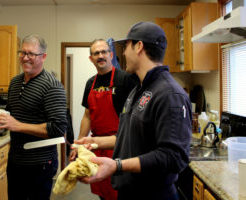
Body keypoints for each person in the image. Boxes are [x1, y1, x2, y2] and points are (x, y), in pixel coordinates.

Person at [74, 22, 192, 200]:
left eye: (126, 46)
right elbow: (128, 136)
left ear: (139, 46)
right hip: (130, 191)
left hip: (152, 194)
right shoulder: (139, 89)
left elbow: (173, 157)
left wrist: (117, 166)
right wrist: (94, 141)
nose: (123, 53)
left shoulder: (169, 94)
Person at [0, 34, 67, 200]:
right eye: (22, 53)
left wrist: (18, 125)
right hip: (16, 160)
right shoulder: (15, 82)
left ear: (43, 57)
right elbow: (10, 116)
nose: (26, 58)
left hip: (39, 165)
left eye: (31, 54)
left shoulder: (52, 86)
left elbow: (58, 128)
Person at [70, 39, 135, 200]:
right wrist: (78, 144)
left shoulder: (125, 79)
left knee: (120, 193)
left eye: (104, 52)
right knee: (103, 194)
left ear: (111, 55)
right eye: (96, 53)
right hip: (96, 147)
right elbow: (87, 116)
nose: (100, 56)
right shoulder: (90, 83)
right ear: (90, 58)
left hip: (119, 146)